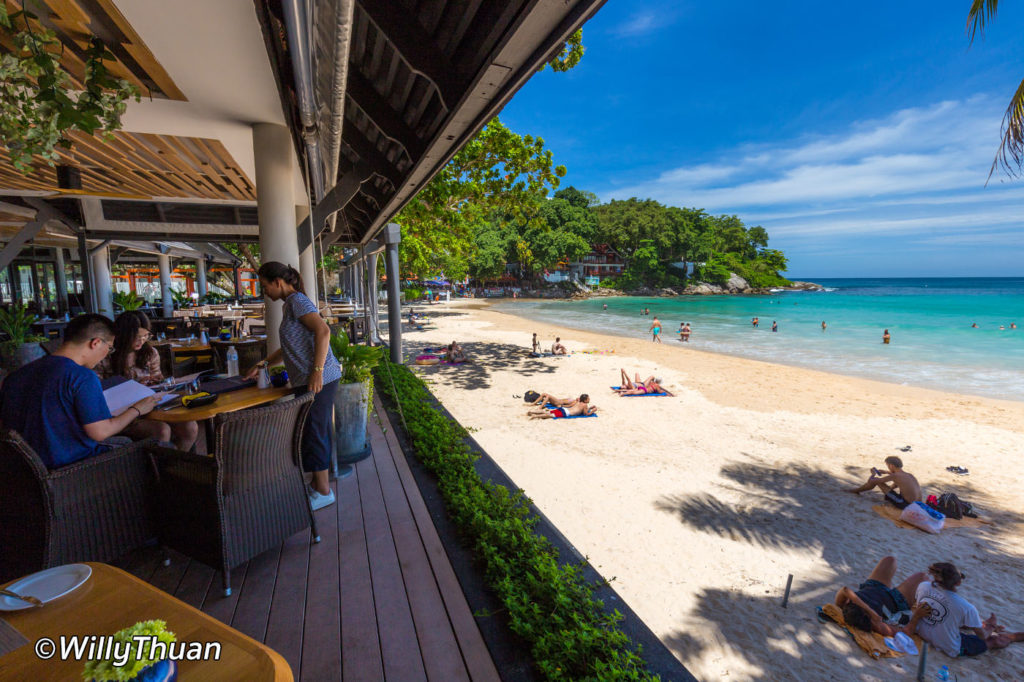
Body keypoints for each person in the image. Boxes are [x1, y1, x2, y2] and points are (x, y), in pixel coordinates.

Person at [0, 313, 160, 469]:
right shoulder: (82, 377)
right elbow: (101, 432)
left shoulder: (14, 377)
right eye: (110, 348)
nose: (107, 353)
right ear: (96, 343)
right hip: (74, 468)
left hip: (24, 471)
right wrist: (137, 409)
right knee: (157, 448)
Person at [246, 262, 342, 511]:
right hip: (311, 378)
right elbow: (289, 346)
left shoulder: (297, 301)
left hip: (319, 378)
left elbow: (323, 331)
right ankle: (317, 484)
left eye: (265, 285)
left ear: (278, 282)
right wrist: (264, 363)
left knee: (314, 432)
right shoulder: (291, 304)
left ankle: (323, 491)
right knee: (315, 430)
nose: (264, 291)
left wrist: (317, 372)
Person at [95, 311, 198, 451]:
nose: (141, 341)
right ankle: (157, 470)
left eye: (145, 336)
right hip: (123, 413)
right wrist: (133, 387)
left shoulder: (150, 353)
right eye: (137, 337)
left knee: (190, 427)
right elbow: (98, 390)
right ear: (123, 334)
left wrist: (155, 383)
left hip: (152, 407)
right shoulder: (105, 356)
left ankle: (175, 466)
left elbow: (159, 381)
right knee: (162, 431)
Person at [915, 561, 1024, 658]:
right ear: (958, 582)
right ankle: (1013, 637)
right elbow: (982, 636)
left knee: (956, 618)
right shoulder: (966, 607)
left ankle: (982, 625)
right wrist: (991, 627)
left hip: (922, 631)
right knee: (993, 640)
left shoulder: (923, 586)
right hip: (949, 646)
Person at [834, 556, 932, 637]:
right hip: (895, 600)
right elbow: (905, 632)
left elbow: (845, 590)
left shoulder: (845, 606)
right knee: (922, 577)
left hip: (872, 586)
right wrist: (917, 616)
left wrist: (870, 611)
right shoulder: (876, 624)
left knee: (890, 560)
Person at [845, 455, 921, 508]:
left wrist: (873, 474)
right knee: (895, 484)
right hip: (917, 504)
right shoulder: (909, 475)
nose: (888, 467)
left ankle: (856, 491)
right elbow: (899, 478)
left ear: (891, 465)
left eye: (888, 465)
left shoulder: (895, 476)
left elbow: (872, 481)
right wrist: (886, 472)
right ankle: (889, 495)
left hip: (905, 505)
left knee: (877, 481)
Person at [528, 394, 597, 419]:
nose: (589, 399)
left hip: (563, 409)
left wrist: (590, 408)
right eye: (588, 398)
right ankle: (535, 416)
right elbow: (586, 414)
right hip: (566, 412)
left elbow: (582, 409)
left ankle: (533, 412)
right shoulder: (585, 405)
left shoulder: (578, 402)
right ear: (585, 400)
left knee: (550, 412)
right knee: (550, 415)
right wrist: (592, 411)